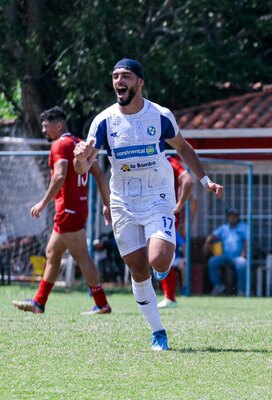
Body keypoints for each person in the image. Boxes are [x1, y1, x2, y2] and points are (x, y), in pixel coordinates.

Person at [73, 59, 223, 350]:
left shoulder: (160, 115)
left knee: (158, 259)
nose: (119, 81)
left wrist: (206, 181)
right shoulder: (104, 121)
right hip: (123, 202)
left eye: (126, 76)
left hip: (157, 197)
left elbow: (183, 147)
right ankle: (158, 331)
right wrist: (81, 157)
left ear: (139, 82)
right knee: (139, 270)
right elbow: (82, 168)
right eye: (115, 76)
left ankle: (164, 268)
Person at [12, 106, 113, 315]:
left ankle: (102, 303)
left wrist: (43, 202)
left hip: (68, 210)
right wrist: (106, 203)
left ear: (58, 126)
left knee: (82, 257)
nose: (43, 131)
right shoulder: (79, 144)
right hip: (77, 209)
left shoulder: (60, 144)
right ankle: (39, 303)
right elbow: (100, 175)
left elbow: (59, 176)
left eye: (46, 126)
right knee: (52, 252)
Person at [157, 155, 195, 309]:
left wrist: (179, 205)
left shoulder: (170, 162)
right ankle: (164, 295)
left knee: (161, 255)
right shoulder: (146, 158)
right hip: (148, 212)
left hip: (166, 213)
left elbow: (189, 181)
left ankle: (170, 296)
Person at [203, 208, 248, 296]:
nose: (232, 218)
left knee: (242, 264)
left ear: (237, 217)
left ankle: (241, 289)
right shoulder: (224, 228)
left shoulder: (243, 227)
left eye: (234, 216)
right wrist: (206, 244)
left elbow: (247, 241)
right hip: (225, 255)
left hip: (237, 257)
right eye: (230, 216)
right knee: (212, 262)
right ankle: (218, 285)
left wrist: (244, 253)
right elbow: (212, 235)